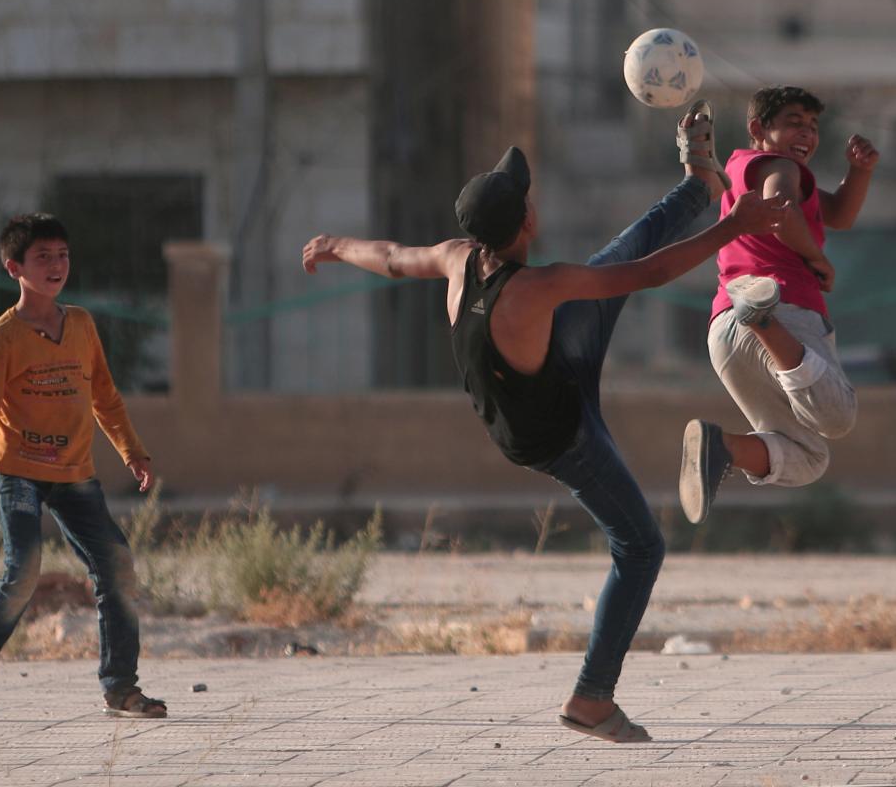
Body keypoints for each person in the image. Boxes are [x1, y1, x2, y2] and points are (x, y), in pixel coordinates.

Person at [301, 115, 788, 744]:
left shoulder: (459, 261)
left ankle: (698, 180)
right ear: (526, 222)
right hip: (559, 436)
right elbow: (654, 275)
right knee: (640, 548)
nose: (534, 202)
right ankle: (591, 699)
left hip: (543, 377)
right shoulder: (537, 287)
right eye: (528, 199)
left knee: (614, 260)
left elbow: (393, 258)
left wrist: (336, 245)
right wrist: (734, 227)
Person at [0, 213, 164, 722]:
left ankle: (121, 689)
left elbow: (104, 395)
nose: (56, 265)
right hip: (18, 471)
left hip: (75, 472)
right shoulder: (2, 338)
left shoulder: (81, 325)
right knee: (24, 569)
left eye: (62, 255)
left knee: (117, 567)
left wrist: (133, 450)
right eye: (43, 258)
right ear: (14, 267)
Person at [677, 86, 878, 524]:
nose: (806, 132)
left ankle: (720, 447)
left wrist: (858, 172)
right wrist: (815, 258)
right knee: (837, 416)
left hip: (724, 334)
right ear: (758, 130)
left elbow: (838, 215)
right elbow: (782, 208)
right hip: (781, 310)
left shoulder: (743, 168)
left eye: (812, 125)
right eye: (793, 122)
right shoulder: (781, 167)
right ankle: (761, 319)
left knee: (809, 458)